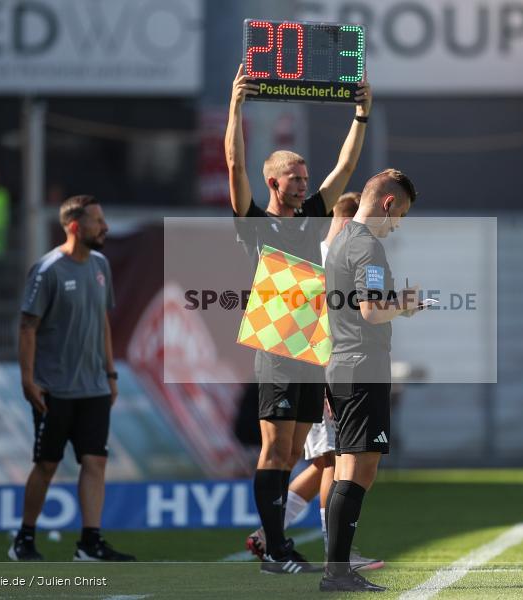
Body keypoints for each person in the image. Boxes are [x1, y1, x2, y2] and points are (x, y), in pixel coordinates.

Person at [226, 63, 372, 574]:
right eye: (296, 179)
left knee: (294, 452)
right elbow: (234, 164)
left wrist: (361, 115)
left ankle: (276, 543)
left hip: (312, 346)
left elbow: (346, 168)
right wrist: (236, 107)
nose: (305, 185)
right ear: (274, 182)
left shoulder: (312, 215)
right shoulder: (253, 222)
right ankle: (275, 549)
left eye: (306, 179)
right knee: (275, 449)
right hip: (276, 344)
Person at [246, 193, 384, 572]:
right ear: (347, 221)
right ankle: (334, 551)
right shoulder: (328, 258)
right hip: (319, 373)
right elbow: (317, 322)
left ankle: (268, 535)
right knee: (335, 460)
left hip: (319, 372)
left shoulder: (326, 254)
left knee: (326, 461)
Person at [9, 195, 134, 562]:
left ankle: (90, 543)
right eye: (98, 221)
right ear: (76, 227)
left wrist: (110, 373)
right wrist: (28, 380)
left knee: (95, 461)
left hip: (94, 386)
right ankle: (24, 540)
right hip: (54, 388)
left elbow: (103, 322)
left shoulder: (100, 265)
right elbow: (27, 328)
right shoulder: (47, 270)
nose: (105, 227)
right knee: (47, 464)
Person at [322, 169, 419, 592]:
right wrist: (407, 304)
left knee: (346, 467)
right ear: (388, 203)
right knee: (361, 470)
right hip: (363, 366)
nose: (398, 225)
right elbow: (372, 310)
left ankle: (337, 568)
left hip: (342, 363)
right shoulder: (366, 246)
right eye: (401, 215)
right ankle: (337, 572)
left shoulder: (341, 239)